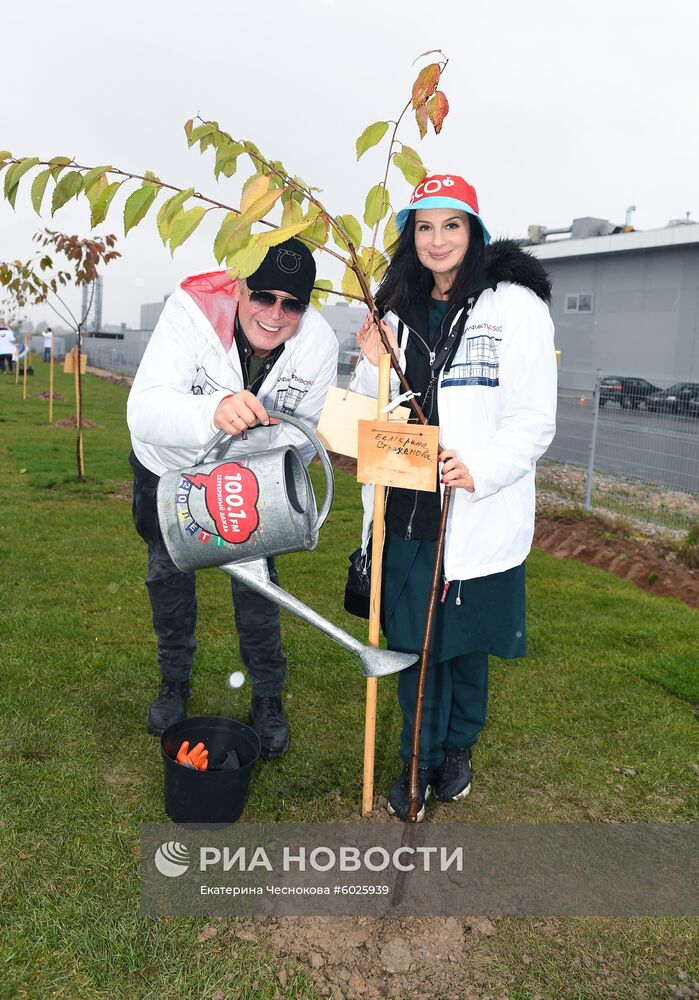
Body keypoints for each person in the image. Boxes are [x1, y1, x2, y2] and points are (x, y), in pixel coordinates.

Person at [351, 174, 557, 821]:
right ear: (409, 236)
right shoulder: (391, 311)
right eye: (423, 226)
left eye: (451, 225)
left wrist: (481, 468)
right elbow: (367, 411)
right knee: (413, 645)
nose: (437, 239)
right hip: (408, 506)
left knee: (465, 642)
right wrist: (366, 361)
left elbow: (533, 416)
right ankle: (418, 756)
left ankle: (458, 746)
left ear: (474, 233)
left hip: (475, 506)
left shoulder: (513, 308)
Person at [127, 239, 338, 753]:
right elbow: (144, 409)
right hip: (169, 467)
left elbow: (304, 434)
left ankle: (267, 696)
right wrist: (213, 412)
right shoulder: (191, 311)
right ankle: (174, 682)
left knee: (259, 587)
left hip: (249, 477)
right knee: (168, 574)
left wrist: (246, 473)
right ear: (240, 287)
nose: (275, 314)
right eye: (263, 296)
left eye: (292, 304)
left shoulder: (319, 344)